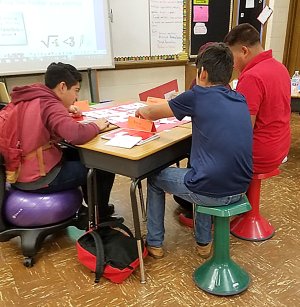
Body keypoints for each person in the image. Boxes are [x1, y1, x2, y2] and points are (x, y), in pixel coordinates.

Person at [135, 43, 253, 259]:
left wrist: (139, 110)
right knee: (202, 171)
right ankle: (203, 243)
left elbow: (152, 112)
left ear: (202, 72)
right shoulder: (239, 98)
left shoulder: (197, 96)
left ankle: (154, 243)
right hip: (241, 187)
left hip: (214, 192)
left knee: (154, 178)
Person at [8, 62, 116, 227]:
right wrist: (96, 125)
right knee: (103, 166)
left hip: (17, 170)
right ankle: (100, 218)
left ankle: (93, 210)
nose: (76, 97)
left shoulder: (31, 97)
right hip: (38, 178)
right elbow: (76, 135)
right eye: (76, 91)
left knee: (77, 154)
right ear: (63, 86)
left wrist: (65, 110)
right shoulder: (51, 105)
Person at [224, 23, 291, 174]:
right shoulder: (280, 67)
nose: (232, 65)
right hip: (280, 149)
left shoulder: (251, 77)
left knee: (206, 150)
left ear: (244, 51)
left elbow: (242, 130)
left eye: (231, 58)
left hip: (258, 156)